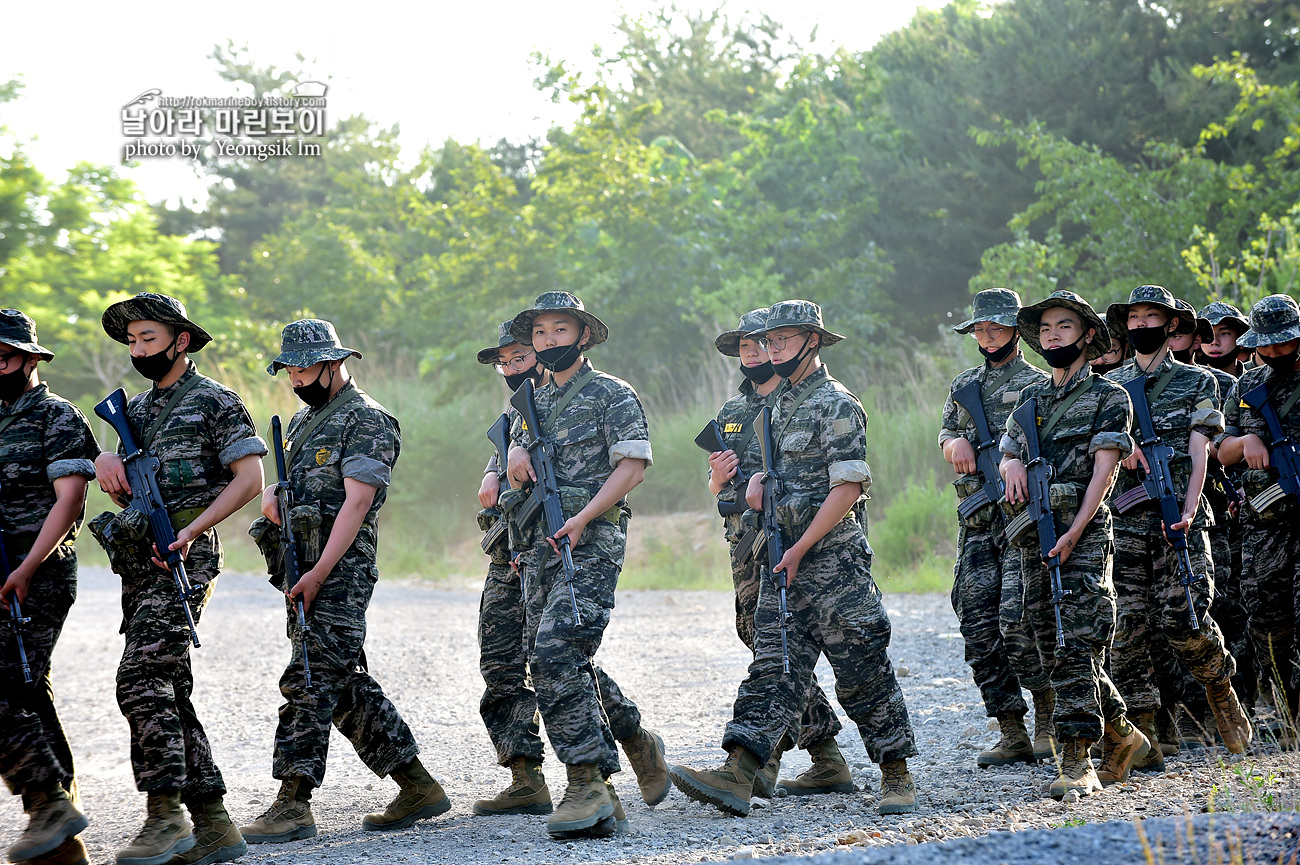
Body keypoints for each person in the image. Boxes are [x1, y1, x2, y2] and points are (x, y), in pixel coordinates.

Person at [670, 300, 920, 818]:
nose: (772, 349)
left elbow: (849, 485)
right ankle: (739, 773)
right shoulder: (767, 407)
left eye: (783, 340)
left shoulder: (836, 403)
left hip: (832, 561)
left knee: (862, 669)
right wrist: (745, 490)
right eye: (768, 341)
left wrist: (802, 545)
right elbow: (742, 487)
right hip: (775, 556)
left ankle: (896, 775)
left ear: (812, 340)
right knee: (772, 666)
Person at [242, 319, 449, 843]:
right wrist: (273, 502)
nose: (295, 378)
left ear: (334, 365)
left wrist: (319, 572)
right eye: (289, 369)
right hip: (301, 569)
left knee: (309, 677)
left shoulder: (368, 420)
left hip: (338, 570)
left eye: (305, 368)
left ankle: (293, 802)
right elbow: (292, 491)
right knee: (341, 681)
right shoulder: (302, 421)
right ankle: (418, 786)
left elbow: (357, 503)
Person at [92, 293, 266, 865]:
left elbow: (249, 479)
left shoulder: (215, 401)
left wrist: (193, 533)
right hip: (141, 556)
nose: (139, 350)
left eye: (149, 338)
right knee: (170, 686)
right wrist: (108, 466)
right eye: (133, 341)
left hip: (186, 554)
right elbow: (130, 482)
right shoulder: (135, 411)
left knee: (140, 676)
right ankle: (214, 824)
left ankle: (164, 816)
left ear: (180, 340)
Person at [472, 321, 652, 830]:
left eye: (560, 330)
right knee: (549, 659)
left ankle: (586, 781)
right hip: (534, 548)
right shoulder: (529, 402)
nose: (550, 341)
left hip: (590, 541)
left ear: (584, 335)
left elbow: (633, 467)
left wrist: (583, 518)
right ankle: (610, 781)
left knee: (556, 652)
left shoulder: (611, 394)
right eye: (542, 333)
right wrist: (509, 455)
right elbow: (508, 452)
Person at [998, 290, 1147, 799]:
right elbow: (1007, 454)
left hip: (1080, 536)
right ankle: (1123, 734)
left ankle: (1077, 757)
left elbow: (1104, 472)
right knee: (1048, 646)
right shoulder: (1030, 400)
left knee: (1074, 641)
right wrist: (1011, 464)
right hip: (1033, 537)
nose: (1052, 335)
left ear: (1086, 335)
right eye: (1044, 329)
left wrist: (1076, 531)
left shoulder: (1110, 397)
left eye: (1063, 326)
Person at [1101, 286, 1251, 764]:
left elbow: (1199, 447)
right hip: (1124, 520)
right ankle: (1145, 728)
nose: (1142, 325)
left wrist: (1188, 506)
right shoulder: (1110, 386)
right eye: (1135, 318)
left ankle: (1220, 686)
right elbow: (1092, 448)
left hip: (1180, 520)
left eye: (1153, 318)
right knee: (1128, 628)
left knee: (1185, 620)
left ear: (1171, 326)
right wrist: (1123, 448)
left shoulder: (1197, 382)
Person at [706, 309, 848, 797]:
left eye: (760, 345)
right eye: (745, 348)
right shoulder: (730, 413)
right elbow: (716, 486)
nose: (753, 354)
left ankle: (762, 758)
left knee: (782, 644)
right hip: (744, 538)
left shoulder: (803, 404)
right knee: (758, 636)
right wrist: (718, 479)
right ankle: (817, 756)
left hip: (797, 536)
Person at [939, 289, 1055, 768]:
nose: (987, 337)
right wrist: (955, 447)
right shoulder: (964, 384)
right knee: (976, 619)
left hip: (1022, 522)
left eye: (996, 328)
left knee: (1019, 619)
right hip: (978, 522)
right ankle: (1011, 729)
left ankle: (1047, 716)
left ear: (1015, 330)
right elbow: (946, 432)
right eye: (980, 330)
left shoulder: (1039, 384)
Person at [0, 310, 98, 865]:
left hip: (39, 573)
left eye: (5, 356)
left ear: (31, 359)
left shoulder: (55, 416)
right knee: (27, 687)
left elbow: (70, 501)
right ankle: (60, 831)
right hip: (3, 572)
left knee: (7, 682)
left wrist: (28, 567)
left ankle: (48, 804)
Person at [1217, 294, 1300, 740]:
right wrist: (1246, 443)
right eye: (1266, 346)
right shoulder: (1245, 387)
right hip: (1265, 522)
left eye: (1283, 345)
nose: (1274, 353)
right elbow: (1219, 449)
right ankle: (1288, 709)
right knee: (1268, 618)